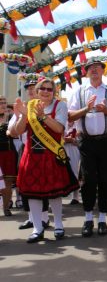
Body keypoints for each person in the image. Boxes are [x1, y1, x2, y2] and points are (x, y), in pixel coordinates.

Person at [12, 78, 78, 242]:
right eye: (43, 89)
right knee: (32, 193)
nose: (46, 92)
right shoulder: (30, 105)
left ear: (54, 92)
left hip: (51, 154)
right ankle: (37, 228)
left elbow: (59, 128)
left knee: (54, 193)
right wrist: (22, 116)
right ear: (37, 90)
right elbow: (16, 132)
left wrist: (42, 117)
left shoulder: (60, 105)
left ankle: (58, 225)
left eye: (50, 89)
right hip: (32, 155)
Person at [68, 58, 107, 237]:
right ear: (86, 72)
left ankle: (102, 219)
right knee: (88, 180)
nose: (94, 70)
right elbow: (70, 116)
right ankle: (87, 219)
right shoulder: (78, 92)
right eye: (90, 68)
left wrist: (105, 110)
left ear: (103, 71)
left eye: (97, 67)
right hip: (86, 142)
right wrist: (87, 109)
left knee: (106, 179)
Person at [8, 78, 51, 230]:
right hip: (25, 149)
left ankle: (44, 218)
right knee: (25, 184)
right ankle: (31, 218)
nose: (31, 90)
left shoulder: (44, 106)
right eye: (29, 88)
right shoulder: (24, 106)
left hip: (43, 150)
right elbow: (11, 128)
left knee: (42, 184)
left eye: (34, 87)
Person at [0, 95, 17, 216]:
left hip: (8, 153)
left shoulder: (11, 117)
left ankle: (6, 208)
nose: (3, 104)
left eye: (4, 102)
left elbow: (16, 134)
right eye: (0, 102)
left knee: (8, 182)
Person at [63, 122, 81, 205]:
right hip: (62, 149)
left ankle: (75, 197)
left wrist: (75, 141)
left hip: (74, 150)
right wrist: (67, 139)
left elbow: (80, 141)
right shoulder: (62, 123)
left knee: (74, 171)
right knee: (62, 172)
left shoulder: (78, 125)